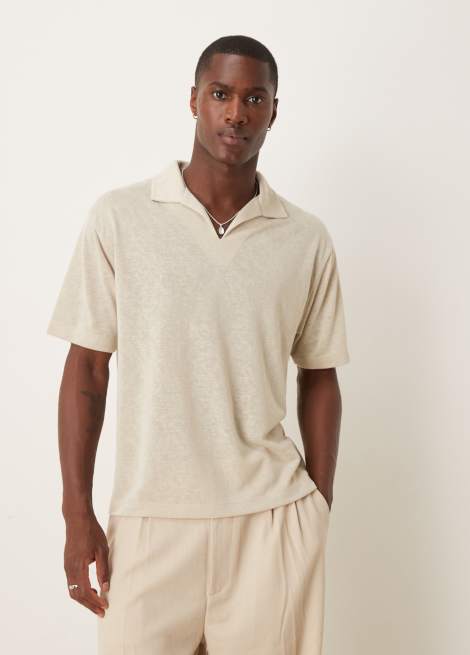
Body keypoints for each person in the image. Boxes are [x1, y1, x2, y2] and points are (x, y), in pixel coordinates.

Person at [47, 34, 350, 655]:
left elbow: (319, 374)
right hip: (150, 519)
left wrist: (318, 508)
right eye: (220, 94)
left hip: (270, 520)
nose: (236, 113)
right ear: (193, 101)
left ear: (273, 111)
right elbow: (87, 370)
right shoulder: (120, 217)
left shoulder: (305, 238)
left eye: (254, 98)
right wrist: (77, 514)